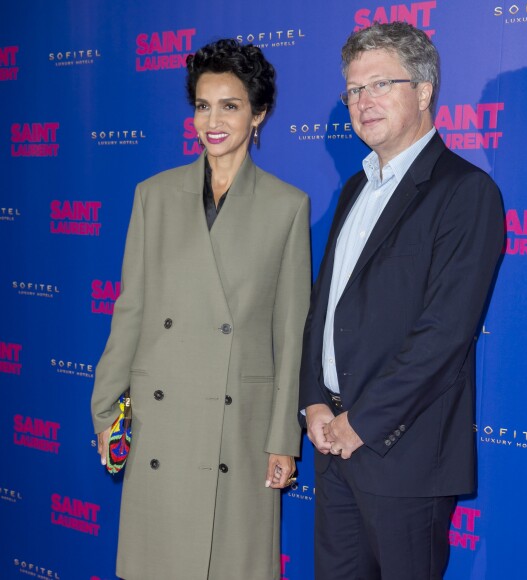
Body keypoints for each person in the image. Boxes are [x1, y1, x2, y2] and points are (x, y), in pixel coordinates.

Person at [91, 39, 311, 580]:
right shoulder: (154, 196)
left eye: (230, 105)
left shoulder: (288, 207)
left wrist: (284, 438)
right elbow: (132, 309)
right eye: (202, 105)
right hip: (160, 422)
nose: (212, 121)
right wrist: (104, 406)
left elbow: (291, 332)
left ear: (258, 114)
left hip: (238, 426)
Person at [299, 22, 504, 580]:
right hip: (332, 445)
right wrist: (315, 402)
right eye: (353, 90)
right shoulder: (354, 188)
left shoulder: (465, 192)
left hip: (403, 452)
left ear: (424, 89)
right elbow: (325, 310)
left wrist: (359, 423)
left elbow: (445, 332)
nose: (363, 103)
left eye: (380, 85)